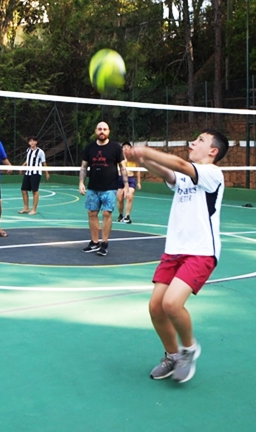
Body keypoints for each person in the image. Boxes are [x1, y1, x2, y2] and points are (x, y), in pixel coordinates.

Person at [124, 129, 229, 384]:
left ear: (213, 151)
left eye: (200, 140)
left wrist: (146, 150)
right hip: (174, 250)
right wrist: (142, 160)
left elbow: (180, 165)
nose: (193, 142)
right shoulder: (185, 175)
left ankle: (189, 349)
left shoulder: (212, 173)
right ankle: (172, 356)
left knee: (171, 304)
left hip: (201, 251)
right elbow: (169, 173)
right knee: (156, 307)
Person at [78, 122, 128, 257]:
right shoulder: (89, 148)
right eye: (100, 129)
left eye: (105, 129)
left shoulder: (115, 147)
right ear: (96, 131)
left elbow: (123, 167)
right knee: (92, 213)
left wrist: (126, 185)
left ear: (108, 131)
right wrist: (81, 182)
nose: (102, 131)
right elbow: (83, 167)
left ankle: (104, 243)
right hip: (93, 187)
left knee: (107, 213)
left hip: (110, 187)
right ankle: (95, 242)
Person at [18, 136, 49, 215]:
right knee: (23, 190)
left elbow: (44, 163)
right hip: (28, 172)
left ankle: (34, 209)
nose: (32, 142)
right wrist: (22, 167)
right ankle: (26, 208)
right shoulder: (28, 150)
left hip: (36, 173)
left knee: (35, 190)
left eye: (34, 141)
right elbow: (27, 160)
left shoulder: (40, 152)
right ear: (29, 142)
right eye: (30, 141)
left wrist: (46, 173)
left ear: (36, 142)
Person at [117, 141, 142, 224]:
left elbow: (138, 170)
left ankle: (127, 216)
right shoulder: (118, 157)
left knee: (129, 196)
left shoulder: (134, 158)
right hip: (120, 179)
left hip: (130, 178)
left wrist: (139, 182)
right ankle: (120, 215)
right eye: (124, 147)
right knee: (120, 198)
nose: (126, 148)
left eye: (128, 147)